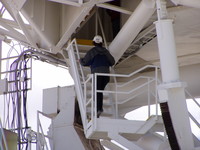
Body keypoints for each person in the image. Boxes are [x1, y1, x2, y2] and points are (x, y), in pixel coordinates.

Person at [80, 35, 115, 118]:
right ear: (101, 43)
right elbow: (112, 62)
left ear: (93, 42)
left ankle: (99, 109)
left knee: (97, 92)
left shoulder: (92, 51)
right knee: (99, 91)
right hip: (106, 75)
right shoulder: (106, 51)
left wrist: (80, 60)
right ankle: (99, 109)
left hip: (97, 74)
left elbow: (85, 62)